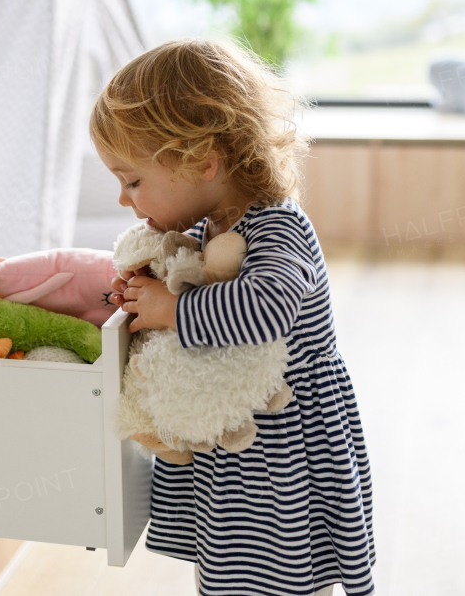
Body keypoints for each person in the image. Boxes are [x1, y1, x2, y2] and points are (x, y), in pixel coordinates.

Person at [89, 38, 376, 596]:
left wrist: (172, 309)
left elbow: (267, 309)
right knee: (229, 572)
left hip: (286, 446)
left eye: (133, 180)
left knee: (281, 575)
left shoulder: (277, 227)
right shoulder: (208, 227)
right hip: (244, 446)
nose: (125, 200)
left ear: (201, 162)